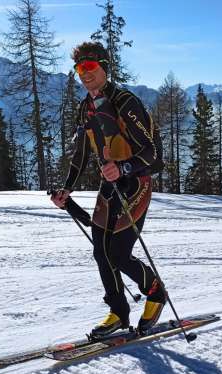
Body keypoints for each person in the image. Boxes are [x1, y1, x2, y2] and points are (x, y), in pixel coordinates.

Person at [50, 41, 165, 338]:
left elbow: (152, 154)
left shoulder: (125, 101)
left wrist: (124, 167)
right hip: (110, 183)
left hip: (136, 181)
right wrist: (66, 190)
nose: (84, 73)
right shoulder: (86, 107)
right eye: (79, 68)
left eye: (90, 67)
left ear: (104, 67)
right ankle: (118, 312)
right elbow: (81, 154)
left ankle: (155, 293)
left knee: (118, 252)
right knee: (101, 251)